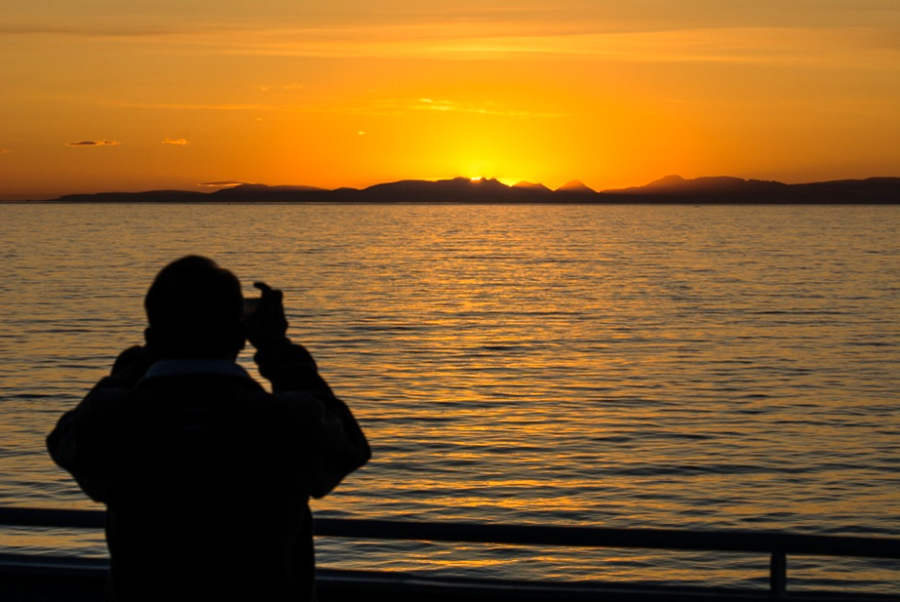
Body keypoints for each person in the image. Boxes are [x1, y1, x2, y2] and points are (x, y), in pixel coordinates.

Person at [47, 255, 370, 602]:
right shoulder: (292, 421)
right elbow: (350, 443)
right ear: (240, 335)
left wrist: (138, 360)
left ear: (152, 337)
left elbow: (64, 438)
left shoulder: (110, 419)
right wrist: (277, 349)